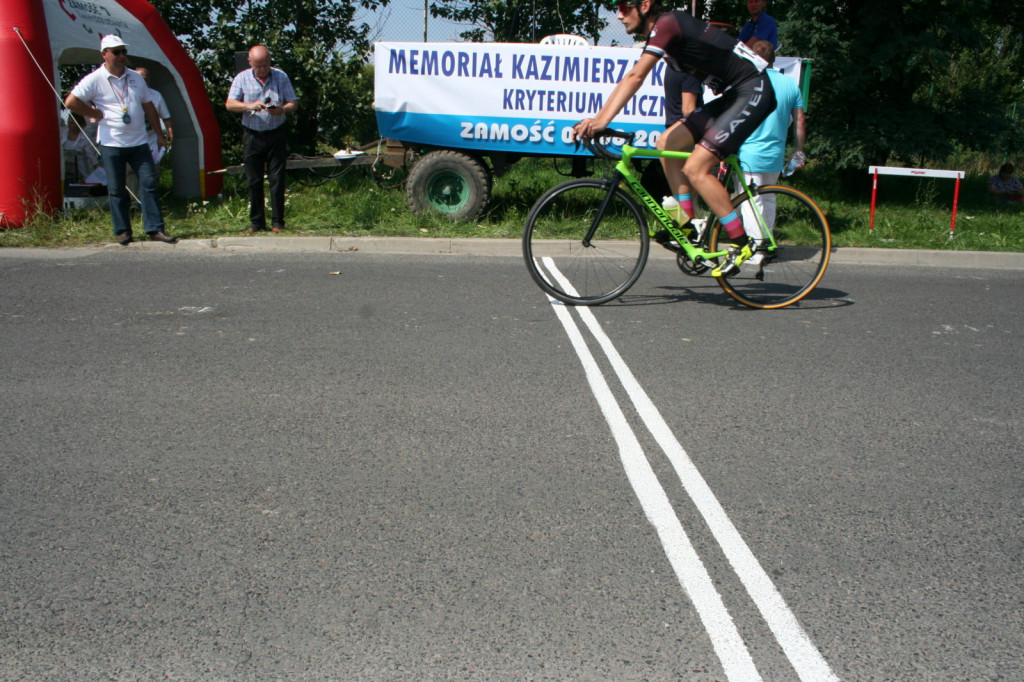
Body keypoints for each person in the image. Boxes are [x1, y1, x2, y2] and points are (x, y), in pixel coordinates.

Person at [574, 0, 777, 277]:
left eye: (623, 6)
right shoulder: (663, 35)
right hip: (733, 95)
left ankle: (742, 244)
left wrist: (600, 121)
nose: (619, 15)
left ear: (644, 5)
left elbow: (635, 76)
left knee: (695, 167)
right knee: (666, 144)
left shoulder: (667, 24)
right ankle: (688, 223)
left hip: (752, 90)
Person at [64, 35, 176, 245]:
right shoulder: (95, 79)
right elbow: (71, 101)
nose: (122, 55)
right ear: (104, 54)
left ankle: (155, 229)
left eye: (124, 51)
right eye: (116, 52)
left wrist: (159, 135)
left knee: (149, 183)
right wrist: (93, 113)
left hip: (139, 142)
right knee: (116, 189)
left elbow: (149, 107)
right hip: (111, 143)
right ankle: (123, 231)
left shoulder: (135, 77)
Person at [736, 39, 805, 252]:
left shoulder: (750, 83)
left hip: (748, 152)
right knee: (769, 198)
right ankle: (767, 242)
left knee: (750, 202)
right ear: (774, 59)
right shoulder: (791, 85)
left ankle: (756, 249)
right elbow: (800, 120)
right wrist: (798, 150)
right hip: (775, 153)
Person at [225, 45, 298, 234]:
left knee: (277, 179)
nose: (263, 70)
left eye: (265, 65)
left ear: (270, 61)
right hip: (252, 134)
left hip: (276, 132)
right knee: (254, 180)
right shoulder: (241, 78)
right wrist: (249, 105)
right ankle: (256, 223)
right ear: (250, 63)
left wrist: (282, 109)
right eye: (258, 66)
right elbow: (230, 104)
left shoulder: (280, 76)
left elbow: (293, 102)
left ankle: (278, 223)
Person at [134, 67, 173, 164]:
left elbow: (166, 116)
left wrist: (169, 130)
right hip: (133, 138)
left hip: (151, 137)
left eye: (145, 79)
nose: (142, 81)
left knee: (152, 169)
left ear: (149, 81)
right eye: (139, 78)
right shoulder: (127, 93)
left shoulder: (156, 95)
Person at [61, 112, 102, 184]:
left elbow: (92, 157)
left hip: (80, 174)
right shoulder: (62, 134)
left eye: (73, 123)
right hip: (64, 170)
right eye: (69, 123)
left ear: (80, 125)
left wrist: (99, 169)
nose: (70, 125)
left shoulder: (85, 139)